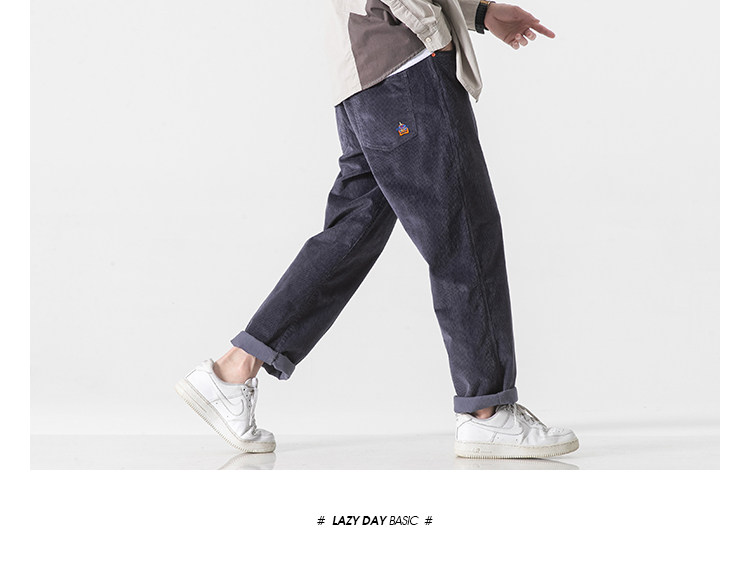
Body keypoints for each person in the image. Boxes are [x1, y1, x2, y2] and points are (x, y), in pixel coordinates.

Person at [175, 0, 579, 459]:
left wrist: (478, 12)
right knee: (464, 232)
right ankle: (488, 413)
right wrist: (432, 34)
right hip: (406, 68)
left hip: (366, 72)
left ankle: (232, 371)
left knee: (351, 235)